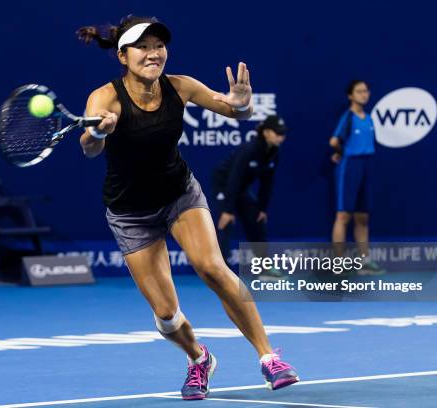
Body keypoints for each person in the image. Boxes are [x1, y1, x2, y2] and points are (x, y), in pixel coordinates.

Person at [77, 15, 299, 400]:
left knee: (212, 267)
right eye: (142, 47)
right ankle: (199, 359)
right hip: (131, 213)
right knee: (166, 314)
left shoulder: (180, 86)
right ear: (122, 55)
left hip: (179, 193)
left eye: (158, 45)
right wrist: (99, 130)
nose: (153, 53)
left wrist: (243, 105)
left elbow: (234, 111)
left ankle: (269, 357)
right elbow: (88, 147)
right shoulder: (105, 98)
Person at [212, 115, 287, 279]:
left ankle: (264, 269)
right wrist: (227, 209)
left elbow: (267, 182)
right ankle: (222, 272)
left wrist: (262, 208)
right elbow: (234, 178)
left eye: (283, 133)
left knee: (257, 220)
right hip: (224, 184)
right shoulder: (251, 149)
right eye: (277, 133)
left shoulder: (274, 152)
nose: (281, 137)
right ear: (266, 132)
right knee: (225, 223)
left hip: (241, 188)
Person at [329, 80, 383, 274]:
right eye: (359, 91)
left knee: (362, 217)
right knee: (343, 215)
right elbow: (334, 140)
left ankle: (364, 262)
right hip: (349, 166)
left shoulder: (368, 118)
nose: (364, 94)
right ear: (350, 96)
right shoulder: (348, 117)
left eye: (366, 91)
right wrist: (341, 152)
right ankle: (337, 264)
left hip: (366, 166)